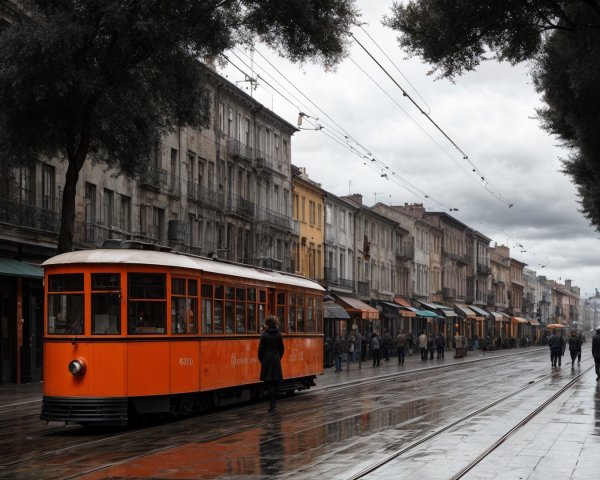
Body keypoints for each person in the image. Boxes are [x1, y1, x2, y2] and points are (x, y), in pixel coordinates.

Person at [258, 315, 284, 412]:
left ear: (267, 323)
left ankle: (271, 403)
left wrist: (262, 360)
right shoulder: (278, 334)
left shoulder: (264, 334)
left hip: (267, 360)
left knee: (269, 382)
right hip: (276, 359)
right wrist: (278, 357)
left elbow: (260, 350)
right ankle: (273, 402)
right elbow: (281, 349)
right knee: (277, 381)